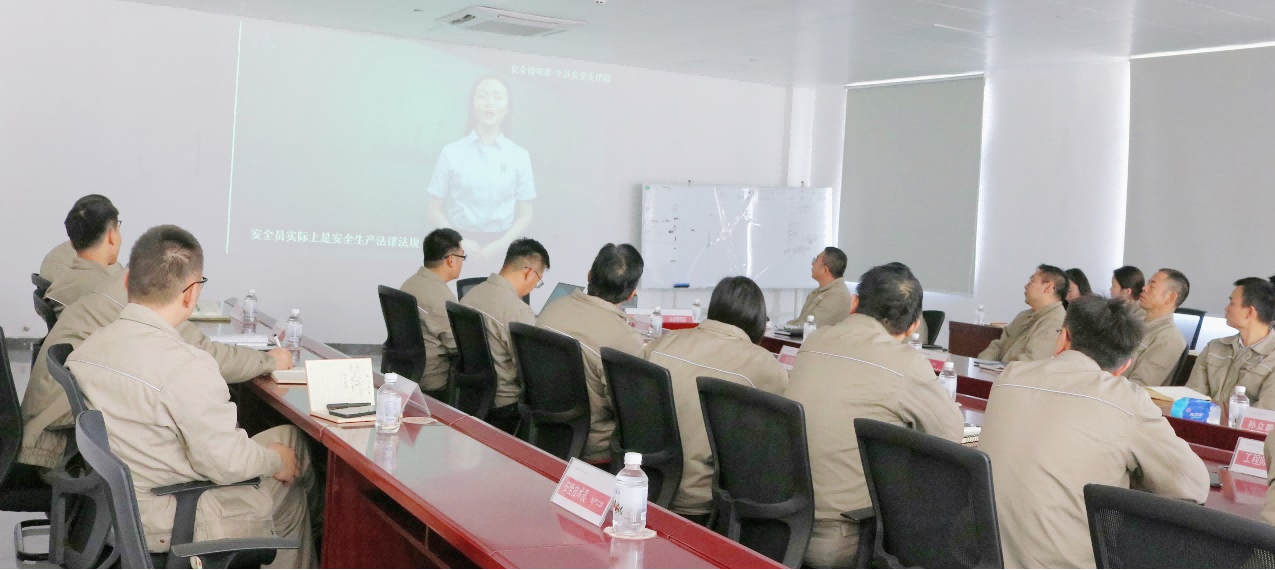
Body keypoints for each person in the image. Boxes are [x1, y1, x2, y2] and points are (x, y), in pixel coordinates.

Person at [66, 225, 318, 568]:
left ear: (126, 282)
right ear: (191, 294)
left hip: (118, 510)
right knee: (290, 490)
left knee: (287, 440)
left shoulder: (87, 349)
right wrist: (275, 461)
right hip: (170, 518)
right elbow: (226, 464)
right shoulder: (188, 367)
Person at [979, 296, 1207, 568]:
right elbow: (1194, 485)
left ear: (1063, 337)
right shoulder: (1126, 400)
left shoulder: (1009, 377)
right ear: (1124, 366)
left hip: (984, 556)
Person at [20, 270, 291, 471]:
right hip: (60, 445)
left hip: (65, 435)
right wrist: (268, 361)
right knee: (284, 447)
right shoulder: (149, 320)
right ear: (190, 293)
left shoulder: (117, 297)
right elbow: (210, 356)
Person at [786, 262, 963, 568]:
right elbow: (950, 437)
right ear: (913, 326)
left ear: (854, 303)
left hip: (786, 521)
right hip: (845, 535)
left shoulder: (815, 340)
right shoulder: (906, 363)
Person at [645, 276, 789, 524]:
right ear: (758, 319)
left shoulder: (663, 342)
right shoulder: (765, 365)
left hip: (645, 480)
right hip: (703, 498)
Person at [537, 244, 646, 463]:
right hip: (594, 448)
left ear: (589, 275)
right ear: (631, 294)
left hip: (543, 431)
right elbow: (630, 411)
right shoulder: (624, 338)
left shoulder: (552, 309)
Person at [426, 76, 534, 260]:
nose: (489, 103)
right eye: (483, 95)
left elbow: (526, 214)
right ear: (472, 103)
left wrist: (501, 245)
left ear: (507, 108)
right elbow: (433, 209)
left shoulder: (519, 155)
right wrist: (459, 242)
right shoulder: (451, 152)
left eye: (497, 97)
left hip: (503, 248)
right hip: (457, 248)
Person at [460, 238, 548, 433]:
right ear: (530, 273)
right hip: (506, 408)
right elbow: (533, 372)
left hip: (473, 398)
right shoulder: (518, 311)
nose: (534, 286)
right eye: (538, 281)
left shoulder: (471, 294)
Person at [1186, 277, 1275, 409]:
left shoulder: (1272, 357)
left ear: (1250, 311)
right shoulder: (1214, 347)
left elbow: (1265, 412)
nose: (1226, 308)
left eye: (1232, 303)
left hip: (1242, 423)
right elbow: (1192, 396)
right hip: (1202, 420)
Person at [398, 229, 466, 399]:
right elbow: (457, 345)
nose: (462, 262)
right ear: (451, 260)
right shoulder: (439, 298)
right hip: (434, 380)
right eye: (462, 257)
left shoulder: (412, 283)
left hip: (409, 372)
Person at [44, 195, 125, 316]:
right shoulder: (107, 292)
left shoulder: (58, 286)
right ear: (111, 236)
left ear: (72, 243)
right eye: (118, 228)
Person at [978, 264, 1069, 362]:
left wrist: (1000, 369)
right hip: (1000, 370)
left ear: (1048, 287)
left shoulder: (1056, 321)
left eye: (1032, 281)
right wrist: (982, 363)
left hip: (1014, 371)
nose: (1025, 286)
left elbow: (1031, 361)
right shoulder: (1023, 316)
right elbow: (997, 346)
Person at [1125, 269, 1190, 386]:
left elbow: (1139, 386)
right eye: (1147, 283)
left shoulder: (1170, 340)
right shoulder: (1134, 325)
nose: (1144, 288)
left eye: (1152, 286)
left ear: (1170, 297)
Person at [786, 247, 853, 328]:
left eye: (816, 260)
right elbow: (801, 321)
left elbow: (809, 327)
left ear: (825, 270)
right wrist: (783, 327)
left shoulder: (837, 295)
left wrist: (786, 328)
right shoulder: (820, 291)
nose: (812, 264)